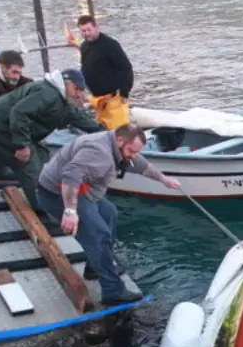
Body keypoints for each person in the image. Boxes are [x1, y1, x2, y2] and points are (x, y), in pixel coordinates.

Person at [36, 124, 181, 305]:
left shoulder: (118, 145)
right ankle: (113, 291)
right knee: (98, 234)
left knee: (109, 214)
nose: (133, 155)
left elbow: (140, 164)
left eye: (136, 151)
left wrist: (164, 179)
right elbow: (70, 175)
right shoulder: (100, 154)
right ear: (120, 141)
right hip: (57, 193)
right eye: (130, 150)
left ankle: (93, 268)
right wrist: (70, 211)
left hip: (85, 191)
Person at [0, 68, 104, 201]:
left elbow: (80, 119)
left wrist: (109, 135)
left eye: (81, 90)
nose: (80, 94)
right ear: (65, 83)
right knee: (29, 163)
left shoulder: (63, 101)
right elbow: (19, 113)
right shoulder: (47, 94)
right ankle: (41, 205)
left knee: (43, 155)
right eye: (76, 89)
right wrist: (22, 145)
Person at [77, 15, 134, 130]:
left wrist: (125, 92)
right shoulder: (84, 46)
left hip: (113, 99)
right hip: (98, 101)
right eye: (83, 31)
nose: (86, 33)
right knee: (103, 133)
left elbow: (126, 68)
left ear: (96, 27)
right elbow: (84, 67)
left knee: (120, 132)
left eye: (89, 30)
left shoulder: (110, 45)